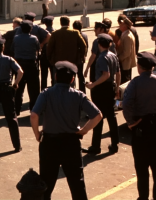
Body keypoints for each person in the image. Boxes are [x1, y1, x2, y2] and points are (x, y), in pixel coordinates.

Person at [31, 61, 102, 200]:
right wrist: (83, 130)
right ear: (72, 79)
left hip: (49, 143)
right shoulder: (78, 95)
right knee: (77, 183)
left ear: (55, 76)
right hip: (71, 143)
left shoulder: (46, 93)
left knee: (46, 183)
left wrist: (37, 134)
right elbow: (97, 115)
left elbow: (34, 115)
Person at [123, 52, 156, 200]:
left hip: (141, 128)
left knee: (142, 168)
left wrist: (131, 122)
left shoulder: (135, 83)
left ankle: (143, 197)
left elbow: (127, 104)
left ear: (139, 67)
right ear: (153, 67)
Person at [84, 34, 121, 155]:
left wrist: (93, 84)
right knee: (111, 116)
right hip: (110, 88)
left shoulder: (101, 58)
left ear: (99, 44)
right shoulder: (113, 56)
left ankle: (96, 146)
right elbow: (118, 73)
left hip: (101, 89)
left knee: (98, 116)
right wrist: (117, 88)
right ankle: (115, 144)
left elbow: (106, 75)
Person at [0, 37, 23, 152]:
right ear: (3, 48)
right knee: (11, 118)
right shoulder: (9, 59)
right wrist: (15, 84)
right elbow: (20, 72)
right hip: (7, 88)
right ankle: (17, 145)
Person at [46, 16, 86, 88]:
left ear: (61, 23)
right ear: (69, 23)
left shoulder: (55, 33)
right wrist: (82, 56)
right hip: (72, 62)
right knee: (70, 82)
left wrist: (50, 59)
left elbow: (49, 48)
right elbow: (83, 46)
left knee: (57, 82)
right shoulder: (75, 33)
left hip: (58, 62)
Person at [12, 20, 40, 114]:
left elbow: (12, 48)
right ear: (30, 29)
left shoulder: (16, 38)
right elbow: (37, 49)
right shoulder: (34, 38)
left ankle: (17, 108)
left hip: (19, 64)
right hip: (31, 64)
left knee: (19, 88)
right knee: (33, 89)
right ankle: (33, 109)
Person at [116, 17, 136, 84]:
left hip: (125, 63)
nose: (120, 25)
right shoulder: (124, 33)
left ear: (125, 26)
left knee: (124, 82)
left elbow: (127, 52)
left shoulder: (127, 36)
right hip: (125, 63)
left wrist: (118, 59)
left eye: (122, 24)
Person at [72, 20, 88, 93]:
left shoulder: (72, 35)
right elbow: (86, 47)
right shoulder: (84, 35)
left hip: (73, 59)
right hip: (81, 59)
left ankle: (73, 90)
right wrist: (84, 56)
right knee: (80, 75)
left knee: (73, 75)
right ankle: (82, 91)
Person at [40, 16, 55, 90]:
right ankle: (54, 90)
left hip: (44, 56)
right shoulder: (56, 32)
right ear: (52, 23)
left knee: (44, 76)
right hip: (53, 57)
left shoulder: (42, 33)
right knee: (54, 75)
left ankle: (43, 91)